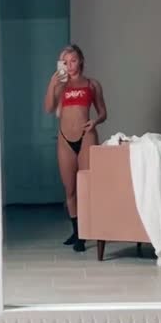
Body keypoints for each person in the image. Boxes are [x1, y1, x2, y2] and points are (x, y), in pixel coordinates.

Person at [44, 44, 107, 251]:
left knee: (86, 186)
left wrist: (95, 121)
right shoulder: (60, 85)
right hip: (65, 140)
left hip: (86, 136)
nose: (70, 65)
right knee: (70, 189)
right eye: (65, 62)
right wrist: (52, 84)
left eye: (73, 61)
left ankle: (85, 232)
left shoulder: (92, 84)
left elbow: (103, 112)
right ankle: (77, 231)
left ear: (81, 61)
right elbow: (48, 108)